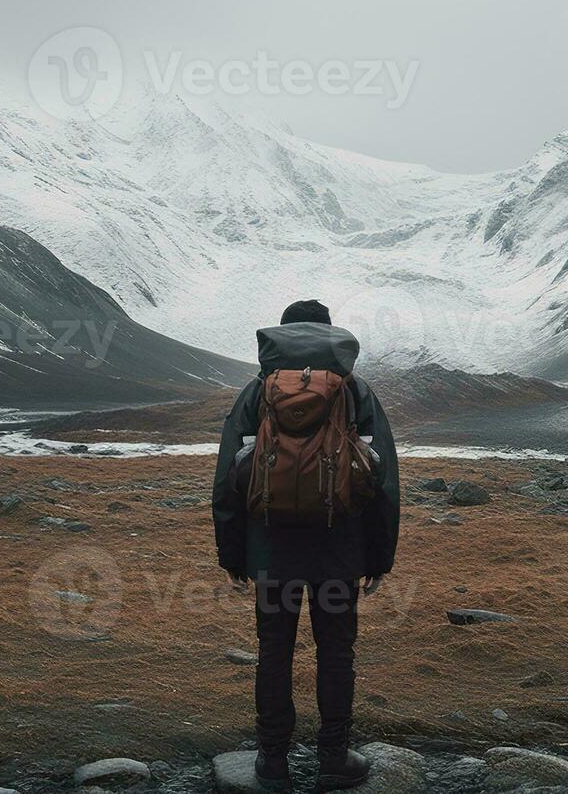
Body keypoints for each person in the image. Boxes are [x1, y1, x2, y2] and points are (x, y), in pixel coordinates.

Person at [213, 300, 401, 792]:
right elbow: (383, 482)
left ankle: (272, 762)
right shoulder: (356, 391)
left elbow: (228, 480)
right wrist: (379, 557)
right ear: (330, 335)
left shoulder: (258, 392)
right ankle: (334, 759)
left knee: (273, 651)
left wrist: (233, 553)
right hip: (339, 550)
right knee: (336, 652)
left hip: (271, 548)